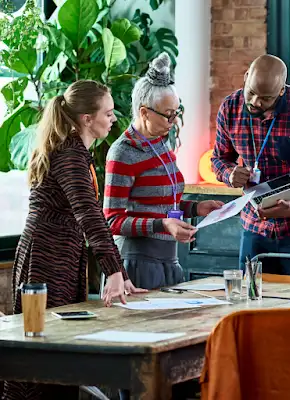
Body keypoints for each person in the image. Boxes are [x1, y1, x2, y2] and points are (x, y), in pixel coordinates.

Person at [2, 80, 146, 400]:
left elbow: (88, 215)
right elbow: (89, 215)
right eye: (107, 113)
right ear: (86, 119)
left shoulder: (75, 150)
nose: (113, 119)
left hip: (57, 257)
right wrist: (115, 271)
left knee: (57, 354)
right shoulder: (69, 153)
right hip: (45, 261)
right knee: (42, 354)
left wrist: (116, 272)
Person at [104, 52, 223, 292]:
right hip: (137, 263)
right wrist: (163, 225)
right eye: (168, 114)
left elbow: (163, 203)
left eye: (176, 113)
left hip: (169, 259)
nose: (173, 121)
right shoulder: (123, 153)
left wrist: (196, 208)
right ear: (144, 112)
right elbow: (112, 221)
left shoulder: (161, 143)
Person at [211, 54, 290, 276]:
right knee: (252, 302)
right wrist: (229, 174)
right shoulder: (230, 109)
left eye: (266, 98)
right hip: (255, 228)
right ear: (246, 76)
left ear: (282, 90)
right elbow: (219, 159)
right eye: (251, 92)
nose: (255, 102)